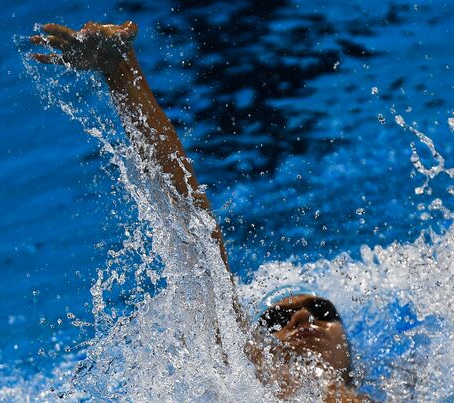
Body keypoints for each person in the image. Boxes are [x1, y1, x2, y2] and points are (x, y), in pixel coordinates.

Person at [31, 21, 369, 402]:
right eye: (276, 320)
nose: (303, 319)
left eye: (322, 310)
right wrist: (121, 72)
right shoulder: (256, 379)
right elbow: (194, 231)